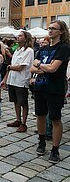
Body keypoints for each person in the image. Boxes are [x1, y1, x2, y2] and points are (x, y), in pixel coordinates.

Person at [31, 20, 70, 164]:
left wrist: (40, 65)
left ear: (61, 31)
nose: (50, 30)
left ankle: (55, 149)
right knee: (40, 115)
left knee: (55, 119)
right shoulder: (43, 49)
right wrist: (44, 67)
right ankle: (41, 143)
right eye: (49, 28)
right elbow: (31, 69)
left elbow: (53, 69)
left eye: (54, 28)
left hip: (55, 88)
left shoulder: (64, 48)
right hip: (40, 87)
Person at [1, 31, 34, 133]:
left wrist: (10, 67)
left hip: (22, 80)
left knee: (23, 102)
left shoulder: (29, 51)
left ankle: (24, 123)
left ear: (25, 38)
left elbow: (21, 67)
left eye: (20, 36)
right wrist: (5, 80)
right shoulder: (17, 50)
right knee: (15, 101)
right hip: (13, 80)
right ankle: (18, 120)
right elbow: (10, 67)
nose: (18, 37)